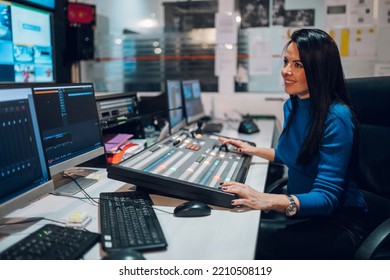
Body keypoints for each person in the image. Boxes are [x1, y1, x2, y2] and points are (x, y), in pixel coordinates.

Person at [219, 28, 368, 259]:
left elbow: (327, 197)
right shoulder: (293, 105)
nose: (286, 71)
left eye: (298, 65)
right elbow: (294, 155)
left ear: (319, 69)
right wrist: (251, 149)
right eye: (286, 61)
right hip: (301, 210)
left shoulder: (337, 117)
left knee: (242, 248)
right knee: (233, 229)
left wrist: (265, 199)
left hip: (336, 223)